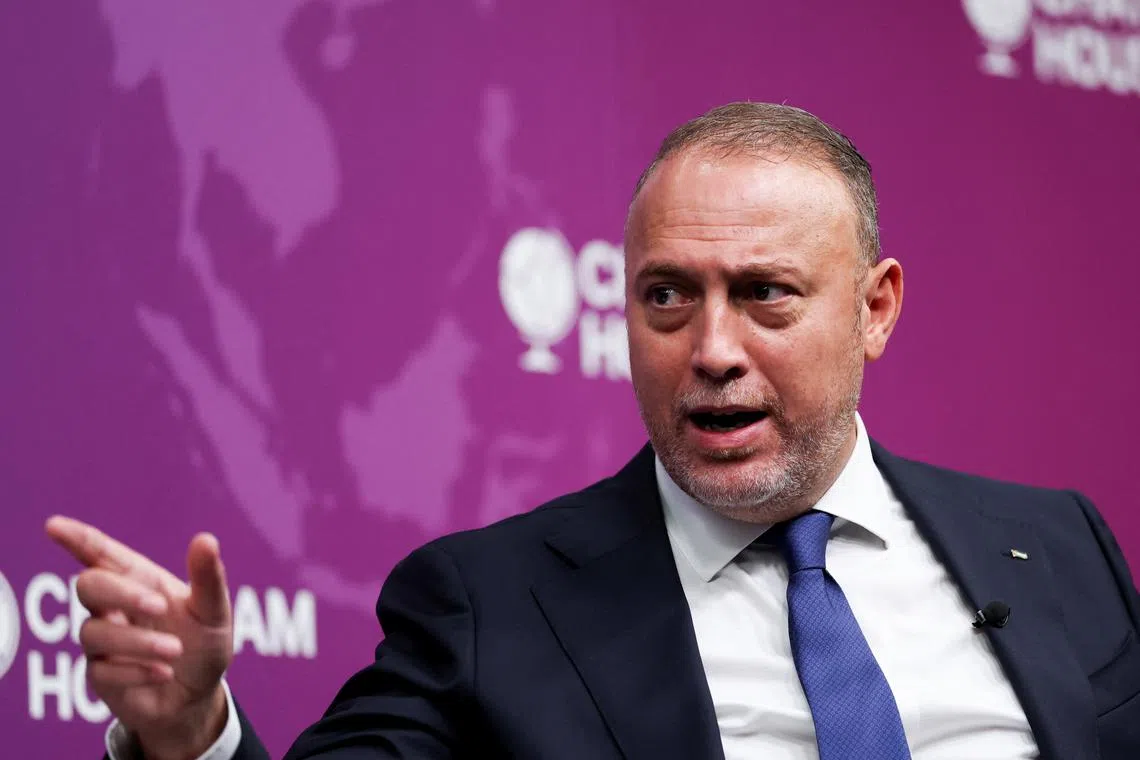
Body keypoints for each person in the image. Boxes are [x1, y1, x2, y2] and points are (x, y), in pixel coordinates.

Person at [48, 102, 1140, 760]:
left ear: (876, 308)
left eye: (764, 294)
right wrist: (190, 737)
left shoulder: (1058, 548)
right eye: (668, 297)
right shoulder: (489, 606)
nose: (711, 349)